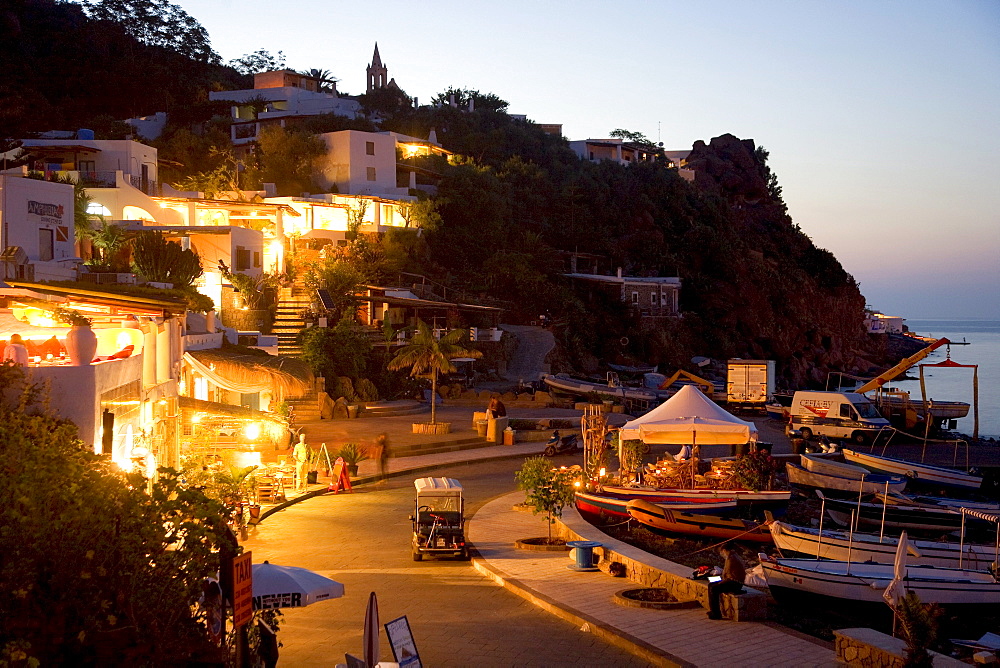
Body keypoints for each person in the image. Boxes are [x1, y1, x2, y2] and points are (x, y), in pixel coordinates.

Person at [707, 543, 746, 620]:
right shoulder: (734, 556)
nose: (721, 553)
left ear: (724, 550)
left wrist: (719, 582)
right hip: (735, 582)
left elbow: (727, 576)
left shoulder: (731, 559)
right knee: (711, 584)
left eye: (722, 551)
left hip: (735, 583)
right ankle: (713, 611)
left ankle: (716, 613)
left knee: (714, 589)